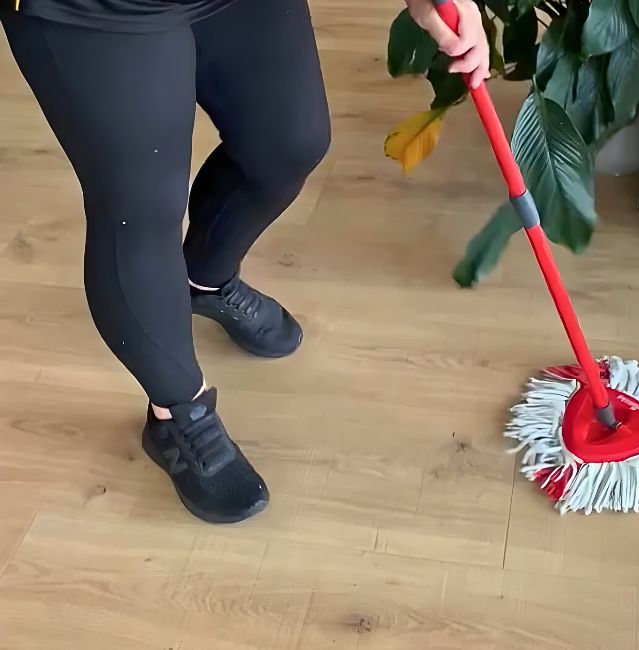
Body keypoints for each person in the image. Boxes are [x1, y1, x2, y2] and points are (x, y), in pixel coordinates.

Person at [0, 0, 489, 523]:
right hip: (95, 10)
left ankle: (203, 282)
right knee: (138, 211)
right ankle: (176, 412)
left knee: (287, 144)